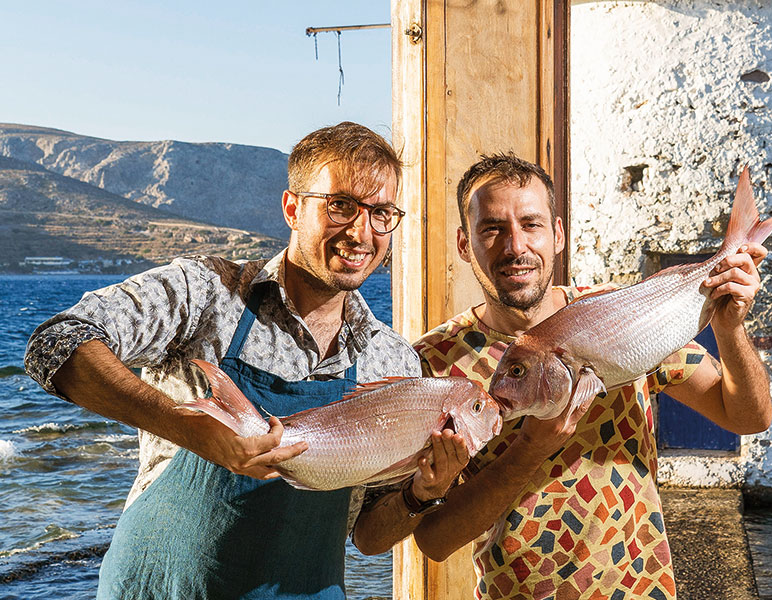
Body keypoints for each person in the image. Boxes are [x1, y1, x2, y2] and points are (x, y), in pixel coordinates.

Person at [23, 122, 464, 600]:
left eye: (381, 213)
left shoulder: (389, 360)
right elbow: (56, 343)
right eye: (340, 206)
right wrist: (192, 430)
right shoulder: (206, 293)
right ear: (293, 208)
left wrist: (424, 491)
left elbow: (368, 536)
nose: (361, 233)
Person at [408, 154, 772, 600]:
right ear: (465, 244)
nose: (515, 246)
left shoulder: (617, 314)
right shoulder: (433, 362)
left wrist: (730, 329)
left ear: (558, 235)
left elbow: (748, 417)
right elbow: (434, 540)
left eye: (531, 224)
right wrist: (530, 447)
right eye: (493, 229)